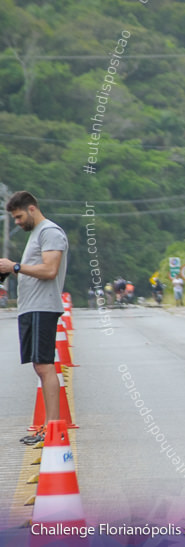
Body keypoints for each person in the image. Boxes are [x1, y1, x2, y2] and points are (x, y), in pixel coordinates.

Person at [0, 191, 68, 446]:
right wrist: (10, 271)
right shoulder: (36, 235)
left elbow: (49, 270)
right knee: (39, 366)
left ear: (31, 209)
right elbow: (34, 271)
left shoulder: (49, 232)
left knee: (44, 365)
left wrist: (15, 266)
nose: (16, 222)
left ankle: (54, 429)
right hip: (31, 307)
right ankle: (49, 427)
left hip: (43, 307)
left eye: (18, 217)